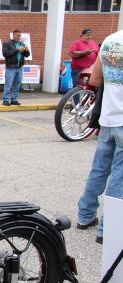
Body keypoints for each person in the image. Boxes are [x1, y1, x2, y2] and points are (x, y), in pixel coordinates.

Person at [77, 29, 123, 244]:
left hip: (108, 117)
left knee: (99, 169)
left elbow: (94, 79)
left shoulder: (110, 40)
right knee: (119, 177)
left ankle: (85, 216)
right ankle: (108, 227)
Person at [2, 29, 30, 106]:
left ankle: (14, 99)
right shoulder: (7, 43)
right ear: (13, 35)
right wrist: (17, 50)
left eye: (20, 36)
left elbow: (27, 55)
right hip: (11, 67)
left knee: (17, 84)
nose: (19, 37)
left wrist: (26, 50)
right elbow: (5, 54)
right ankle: (6, 100)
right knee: (8, 84)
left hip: (20, 67)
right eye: (18, 36)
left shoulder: (22, 44)